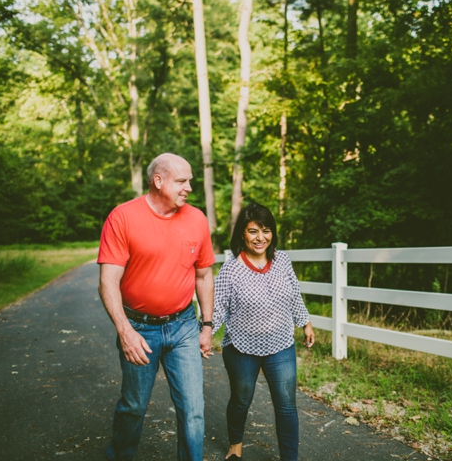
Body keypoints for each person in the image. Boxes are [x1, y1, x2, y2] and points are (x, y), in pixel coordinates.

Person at [97, 153, 216, 461]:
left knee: (193, 410)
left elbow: (204, 275)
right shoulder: (123, 217)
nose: (189, 187)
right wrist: (125, 331)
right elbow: (107, 282)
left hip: (184, 327)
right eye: (182, 181)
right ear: (158, 181)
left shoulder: (197, 219)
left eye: (190, 180)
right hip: (139, 327)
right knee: (134, 407)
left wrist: (207, 325)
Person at [212, 203, 314, 461]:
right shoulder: (231, 269)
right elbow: (218, 309)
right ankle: (235, 444)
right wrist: (204, 334)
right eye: (253, 231)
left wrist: (306, 323)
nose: (260, 238)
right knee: (241, 399)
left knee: (286, 405)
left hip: (281, 344)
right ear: (242, 235)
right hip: (240, 347)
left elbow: (294, 295)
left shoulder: (283, 261)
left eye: (266, 231)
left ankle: (290, 457)